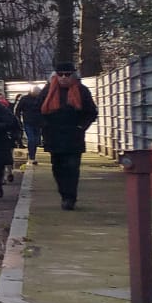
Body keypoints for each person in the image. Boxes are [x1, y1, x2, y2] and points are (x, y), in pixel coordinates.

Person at [37, 62, 98, 211]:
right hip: (54, 135)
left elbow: (91, 112)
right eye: (61, 74)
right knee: (57, 168)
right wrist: (44, 126)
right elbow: (38, 111)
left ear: (73, 75)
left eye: (67, 74)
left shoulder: (82, 91)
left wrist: (81, 127)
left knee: (72, 167)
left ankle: (70, 197)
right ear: (56, 75)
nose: (64, 77)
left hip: (73, 136)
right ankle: (64, 194)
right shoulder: (47, 91)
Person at [15, 87, 43, 165]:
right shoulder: (24, 99)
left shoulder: (40, 99)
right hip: (28, 122)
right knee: (31, 139)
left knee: (37, 140)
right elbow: (18, 110)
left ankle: (32, 154)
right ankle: (32, 157)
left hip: (37, 123)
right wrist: (18, 120)